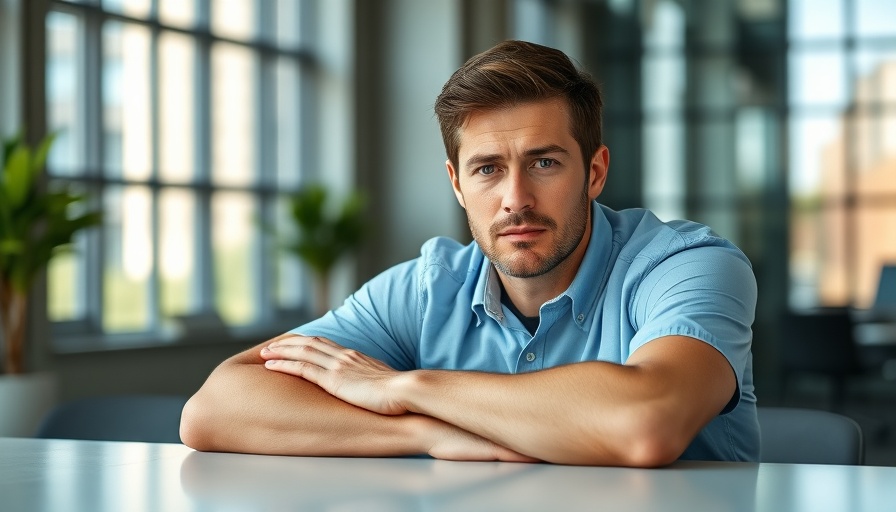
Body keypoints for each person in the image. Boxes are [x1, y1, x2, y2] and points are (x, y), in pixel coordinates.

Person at [180, 40, 758, 467]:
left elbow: (645, 424)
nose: (516, 200)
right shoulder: (429, 287)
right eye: (488, 170)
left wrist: (403, 389)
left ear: (596, 171)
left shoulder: (688, 265)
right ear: (458, 185)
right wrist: (426, 434)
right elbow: (214, 409)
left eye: (544, 163)